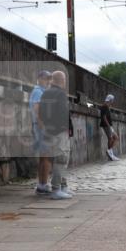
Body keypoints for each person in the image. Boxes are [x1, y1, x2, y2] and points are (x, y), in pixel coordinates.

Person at [38, 71, 74, 200]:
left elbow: (40, 112)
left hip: (48, 131)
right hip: (59, 133)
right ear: (61, 80)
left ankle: (63, 187)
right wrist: (64, 128)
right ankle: (57, 189)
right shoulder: (60, 94)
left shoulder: (45, 93)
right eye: (64, 80)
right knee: (61, 160)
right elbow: (63, 113)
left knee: (55, 159)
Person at [30, 70, 53, 194]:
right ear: (39, 78)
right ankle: (43, 184)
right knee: (46, 157)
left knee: (44, 157)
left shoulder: (41, 91)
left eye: (49, 79)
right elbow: (37, 110)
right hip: (42, 128)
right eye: (46, 78)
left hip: (41, 127)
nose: (48, 81)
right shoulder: (38, 92)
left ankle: (42, 183)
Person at [100, 94, 120, 161]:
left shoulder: (107, 106)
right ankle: (110, 153)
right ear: (110, 100)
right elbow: (104, 117)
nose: (112, 102)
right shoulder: (105, 106)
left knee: (115, 138)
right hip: (106, 125)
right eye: (112, 100)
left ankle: (110, 153)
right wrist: (109, 126)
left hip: (108, 125)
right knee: (111, 138)